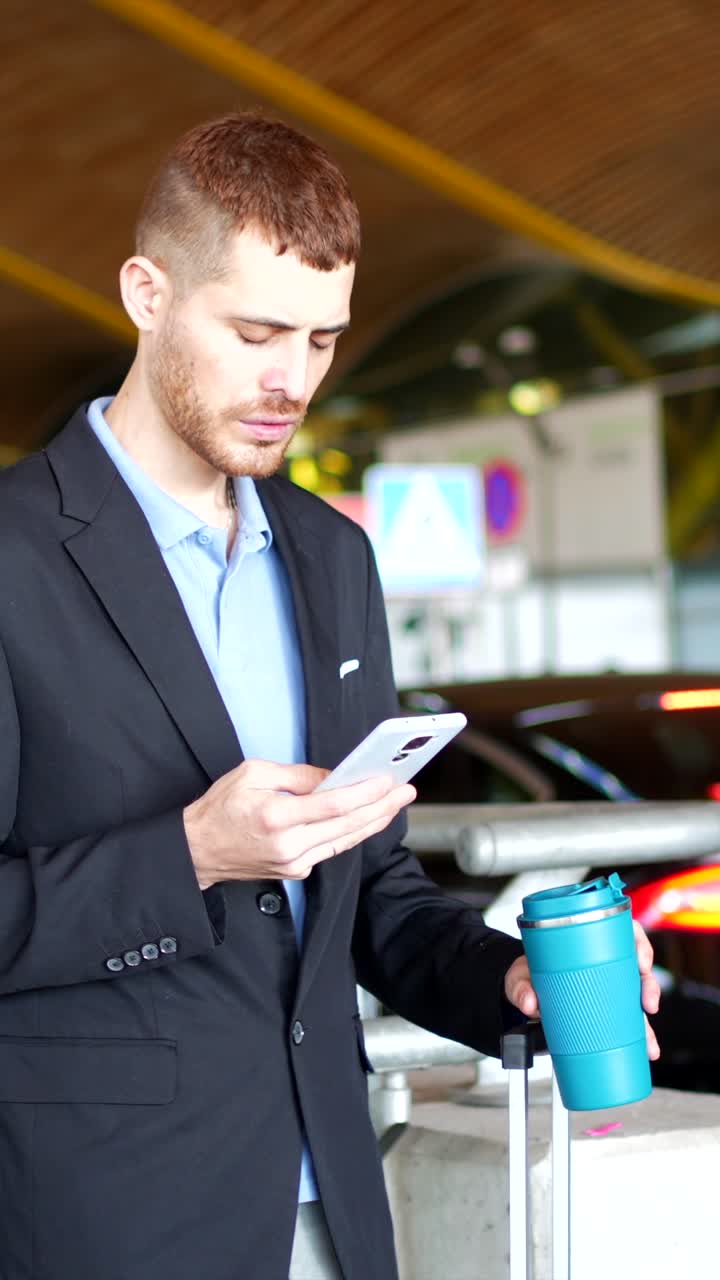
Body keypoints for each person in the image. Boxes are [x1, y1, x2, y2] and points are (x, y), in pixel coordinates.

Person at [0, 113, 659, 1280]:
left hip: (332, 1203)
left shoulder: (329, 554)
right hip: (104, 1212)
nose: (289, 381)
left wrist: (499, 980)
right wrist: (194, 850)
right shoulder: (12, 555)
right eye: (256, 332)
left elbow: (375, 891)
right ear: (146, 291)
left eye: (321, 340)